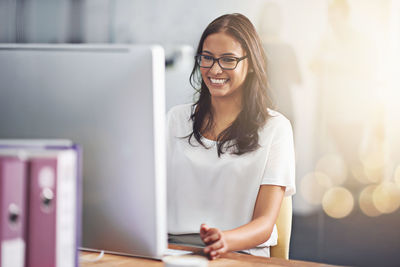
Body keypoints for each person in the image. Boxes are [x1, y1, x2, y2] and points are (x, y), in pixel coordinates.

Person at [166, 13, 295, 259]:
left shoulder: (275, 128)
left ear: (251, 65)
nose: (215, 69)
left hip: (239, 253)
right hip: (172, 250)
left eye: (228, 60)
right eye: (207, 58)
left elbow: (265, 224)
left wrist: (224, 240)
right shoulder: (175, 119)